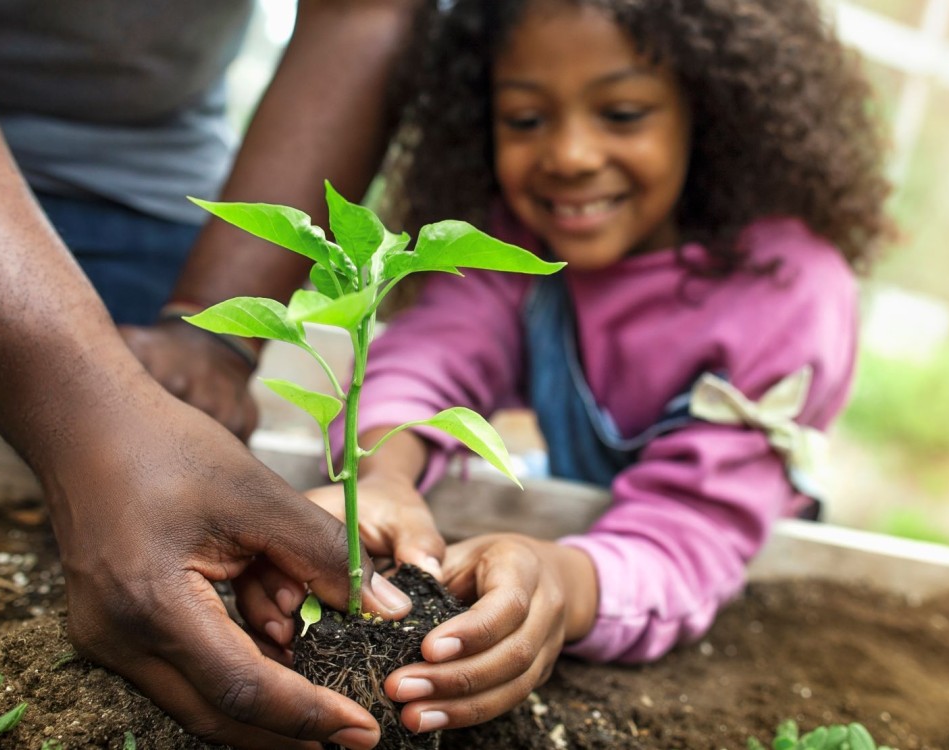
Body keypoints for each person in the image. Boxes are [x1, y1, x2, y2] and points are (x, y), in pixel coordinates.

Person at [238, 0, 892, 736]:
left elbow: (692, 530)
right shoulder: (520, 242)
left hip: (718, 553)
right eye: (525, 119)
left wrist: (563, 583)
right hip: (587, 520)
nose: (571, 155)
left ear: (709, 110)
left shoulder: (787, 291)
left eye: (622, 112)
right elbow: (434, 354)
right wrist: (382, 474)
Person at [0, 1, 421, 748]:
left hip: (134, 176)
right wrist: (83, 407)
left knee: (164, 499)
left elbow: (366, 12)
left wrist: (214, 334)